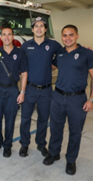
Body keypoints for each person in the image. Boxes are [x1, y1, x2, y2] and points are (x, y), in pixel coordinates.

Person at [43, 25, 93, 175]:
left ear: (77, 36)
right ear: (61, 37)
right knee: (55, 129)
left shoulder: (87, 54)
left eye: (71, 35)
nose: (67, 38)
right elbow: (52, 65)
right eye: (64, 35)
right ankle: (54, 153)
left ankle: (71, 160)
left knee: (75, 132)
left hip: (77, 99)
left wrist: (92, 99)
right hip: (58, 97)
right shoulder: (60, 53)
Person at [19, 17, 63, 157]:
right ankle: (24, 144)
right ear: (32, 29)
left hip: (46, 90)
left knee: (43, 119)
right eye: (36, 26)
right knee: (25, 118)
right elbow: (21, 66)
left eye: (41, 26)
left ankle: (41, 144)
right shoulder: (25, 46)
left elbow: (65, 55)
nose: (38, 28)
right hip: (30, 89)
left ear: (45, 29)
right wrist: (22, 90)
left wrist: (83, 48)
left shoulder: (54, 45)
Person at [0, 26, 28, 157]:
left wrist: (22, 92)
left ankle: (7, 145)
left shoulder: (20, 53)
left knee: (10, 120)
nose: (6, 37)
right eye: (4, 34)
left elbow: (24, 74)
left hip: (12, 90)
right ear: (0, 37)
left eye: (9, 34)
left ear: (13, 36)